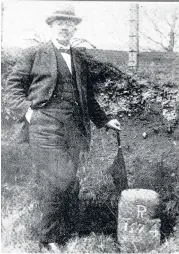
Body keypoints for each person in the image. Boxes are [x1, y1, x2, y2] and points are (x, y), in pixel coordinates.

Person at [6, 5, 121, 252]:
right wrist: (28, 112)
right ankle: (48, 238)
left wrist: (103, 120)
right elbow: (12, 87)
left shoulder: (78, 58)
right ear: (51, 26)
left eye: (69, 24)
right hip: (44, 128)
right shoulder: (35, 53)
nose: (65, 27)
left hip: (73, 130)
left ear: (75, 28)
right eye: (60, 23)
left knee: (70, 181)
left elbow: (86, 95)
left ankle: (66, 231)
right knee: (57, 180)